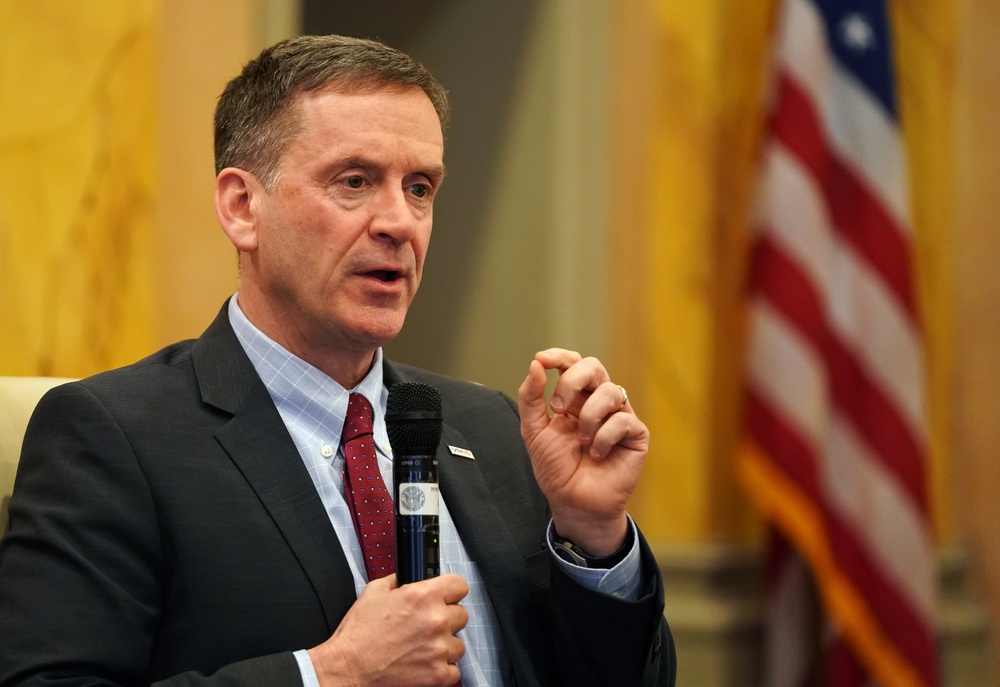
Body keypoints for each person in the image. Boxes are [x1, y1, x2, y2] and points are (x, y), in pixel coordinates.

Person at [0, 35, 675, 687]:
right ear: (242, 207)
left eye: (419, 188)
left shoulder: (491, 428)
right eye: (355, 181)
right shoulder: (114, 437)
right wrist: (328, 674)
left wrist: (594, 539)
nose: (399, 222)